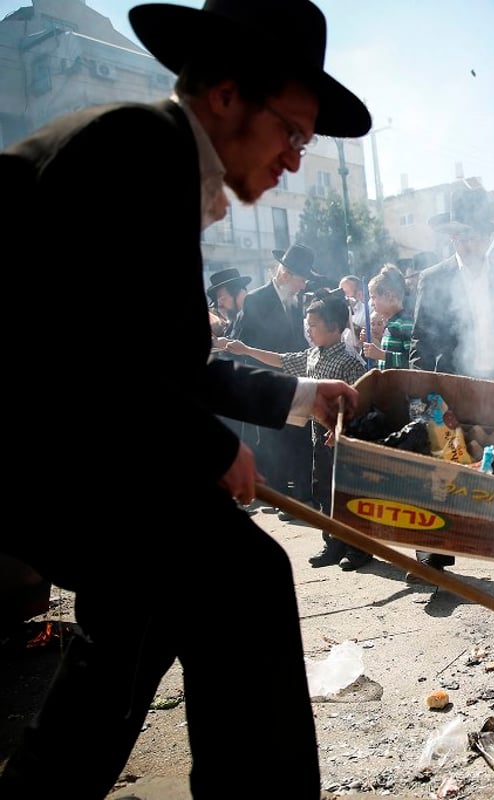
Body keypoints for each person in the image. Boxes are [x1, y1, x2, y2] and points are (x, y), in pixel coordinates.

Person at [0, 1, 369, 797]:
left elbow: (163, 362)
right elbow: (78, 346)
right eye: (293, 132)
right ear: (228, 95)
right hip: (29, 440)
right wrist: (209, 448)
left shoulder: (159, 161)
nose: (297, 161)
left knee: (140, 613)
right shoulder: (137, 150)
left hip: (54, 443)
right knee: (244, 580)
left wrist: (300, 396)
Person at [409, 184, 494, 575]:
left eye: (478, 234)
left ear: (489, 236)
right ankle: (434, 545)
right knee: (444, 461)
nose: (470, 242)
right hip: (450, 384)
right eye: (462, 234)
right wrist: (421, 387)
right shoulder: (433, 279)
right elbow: (420, 338)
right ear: (451, 235)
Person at [226, 288, 370, 570]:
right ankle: (333, 543)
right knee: (323, 494)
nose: (308, 329)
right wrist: (246, 350)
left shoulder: (351, 361)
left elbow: (361, 403)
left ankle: (359, 549)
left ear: (334, 327)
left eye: (313, 325)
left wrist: (342, 428)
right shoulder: (312, 355)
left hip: (344, 442)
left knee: (347, 496)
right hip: (319, 438)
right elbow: (282, 360)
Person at [233, 242, 324, 516]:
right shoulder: (255, 300)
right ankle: (279, 496)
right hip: (266, 382)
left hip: (294, 380)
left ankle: (300, 496)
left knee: (296, 439)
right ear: (285, 274)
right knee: (273, 443)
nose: (303, 285)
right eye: (301, 279)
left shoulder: (296, 301)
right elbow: (244, 345)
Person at [361, 264, 413, 369]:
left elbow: (411, 360)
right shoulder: (390, 324)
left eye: (373, 297)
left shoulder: (404, 324)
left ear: (389, 296)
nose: (371, 304)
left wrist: (382, 355)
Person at [206, 267, 251, 338]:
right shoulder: (228, 327)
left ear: (240, 294)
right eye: (216, 299)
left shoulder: (256, 319)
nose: (219, 303)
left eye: (222, 297)